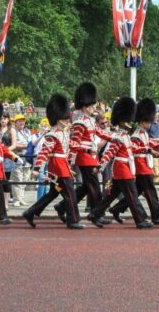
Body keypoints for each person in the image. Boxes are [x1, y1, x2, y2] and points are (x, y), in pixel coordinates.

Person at [22, 94, 84, 229]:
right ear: (59, 119)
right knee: (70, 193)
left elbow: (71, 145)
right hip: (58, 170)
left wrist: (87, 147)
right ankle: (73, 220)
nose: (68, 121)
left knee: (53, 193)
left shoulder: (63, 133)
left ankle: (30, 212)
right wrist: (37, 169)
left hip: (62, 167)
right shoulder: (52, 135)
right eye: (66, 118)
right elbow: (44, 153)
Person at [89, 97, 152, 229]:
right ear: (122, 122)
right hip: (122, 169)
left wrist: (147, 150)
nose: (129, 122)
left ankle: (94, 214)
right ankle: (140, 220)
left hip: (125, 168)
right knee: (132, 194)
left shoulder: (125, 136)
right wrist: (100, 166)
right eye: (127, 120)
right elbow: (109, 153)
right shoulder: (119, 137)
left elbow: (132, 149)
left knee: (111, 196)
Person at [55, 83, 108, 224]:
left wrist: (117, 137)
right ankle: (97, 214)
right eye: (91, 106)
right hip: (84, 158)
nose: (93, 109)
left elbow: (101, 133)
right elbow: (74, 143)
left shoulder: (90, 121)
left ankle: (61, 207)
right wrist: (75, 157)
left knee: (86, 186)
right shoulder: (79, 122)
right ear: (84, 106)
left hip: (92, 157)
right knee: (94, 186)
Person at [109, 98, 159, 225]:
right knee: (150, 192)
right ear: (143, 121)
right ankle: (157, 217)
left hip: (144, 166)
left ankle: (116, 208)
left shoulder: (143, 133)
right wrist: (149, 150)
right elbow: (134, 151)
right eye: (148, 121)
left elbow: (151, 143)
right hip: (141, 167)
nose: (150, 123)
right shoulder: (136, 135)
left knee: (136, 194)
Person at [9, 114, 31, 207]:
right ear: (15, 122)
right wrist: (24, 145)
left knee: (25, 179)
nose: (22, 122)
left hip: (27, 159)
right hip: (17, 158)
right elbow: (14, 144)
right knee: (17, 179)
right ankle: (16, 199)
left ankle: (21, 198)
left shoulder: (27, 131)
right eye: (19, 120)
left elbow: (31, 143)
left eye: (23, 120)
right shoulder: (13, 131)